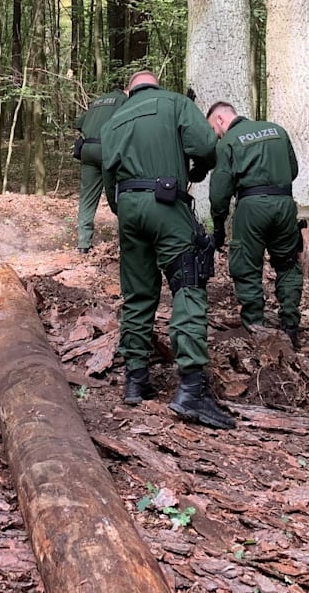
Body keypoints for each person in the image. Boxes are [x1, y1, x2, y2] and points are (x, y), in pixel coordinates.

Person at [100, 71, 233, 430]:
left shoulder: (113, 121)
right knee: (188, 282)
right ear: (155, 84)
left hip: (129, 210)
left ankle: (136, 380)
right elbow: (206, 146)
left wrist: (127, 209)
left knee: (138, 292)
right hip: (166, 201)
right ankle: (191, 389)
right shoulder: (175, 103)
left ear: (129, 90)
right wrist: (198, 170)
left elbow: (109, 182)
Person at [208, 101, 304, 349]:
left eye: (215, 130)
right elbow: (293, 170)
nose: (217, 136)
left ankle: (255, 327)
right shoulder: (277, 130)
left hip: (251, 208)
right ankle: (290, 325)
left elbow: (219, 192)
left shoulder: (229, 142)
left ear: (220, 119)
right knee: (288, 264)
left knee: (246, 267)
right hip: (284, 204)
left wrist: (218, 226)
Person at [73, 86, 127, 253]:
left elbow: (78, 123)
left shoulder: (98, 101)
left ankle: (83, 243)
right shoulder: (124, 100)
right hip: (107, 149)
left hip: (87, 149)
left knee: (87, 197)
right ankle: (126, 239)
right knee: (119, 194)